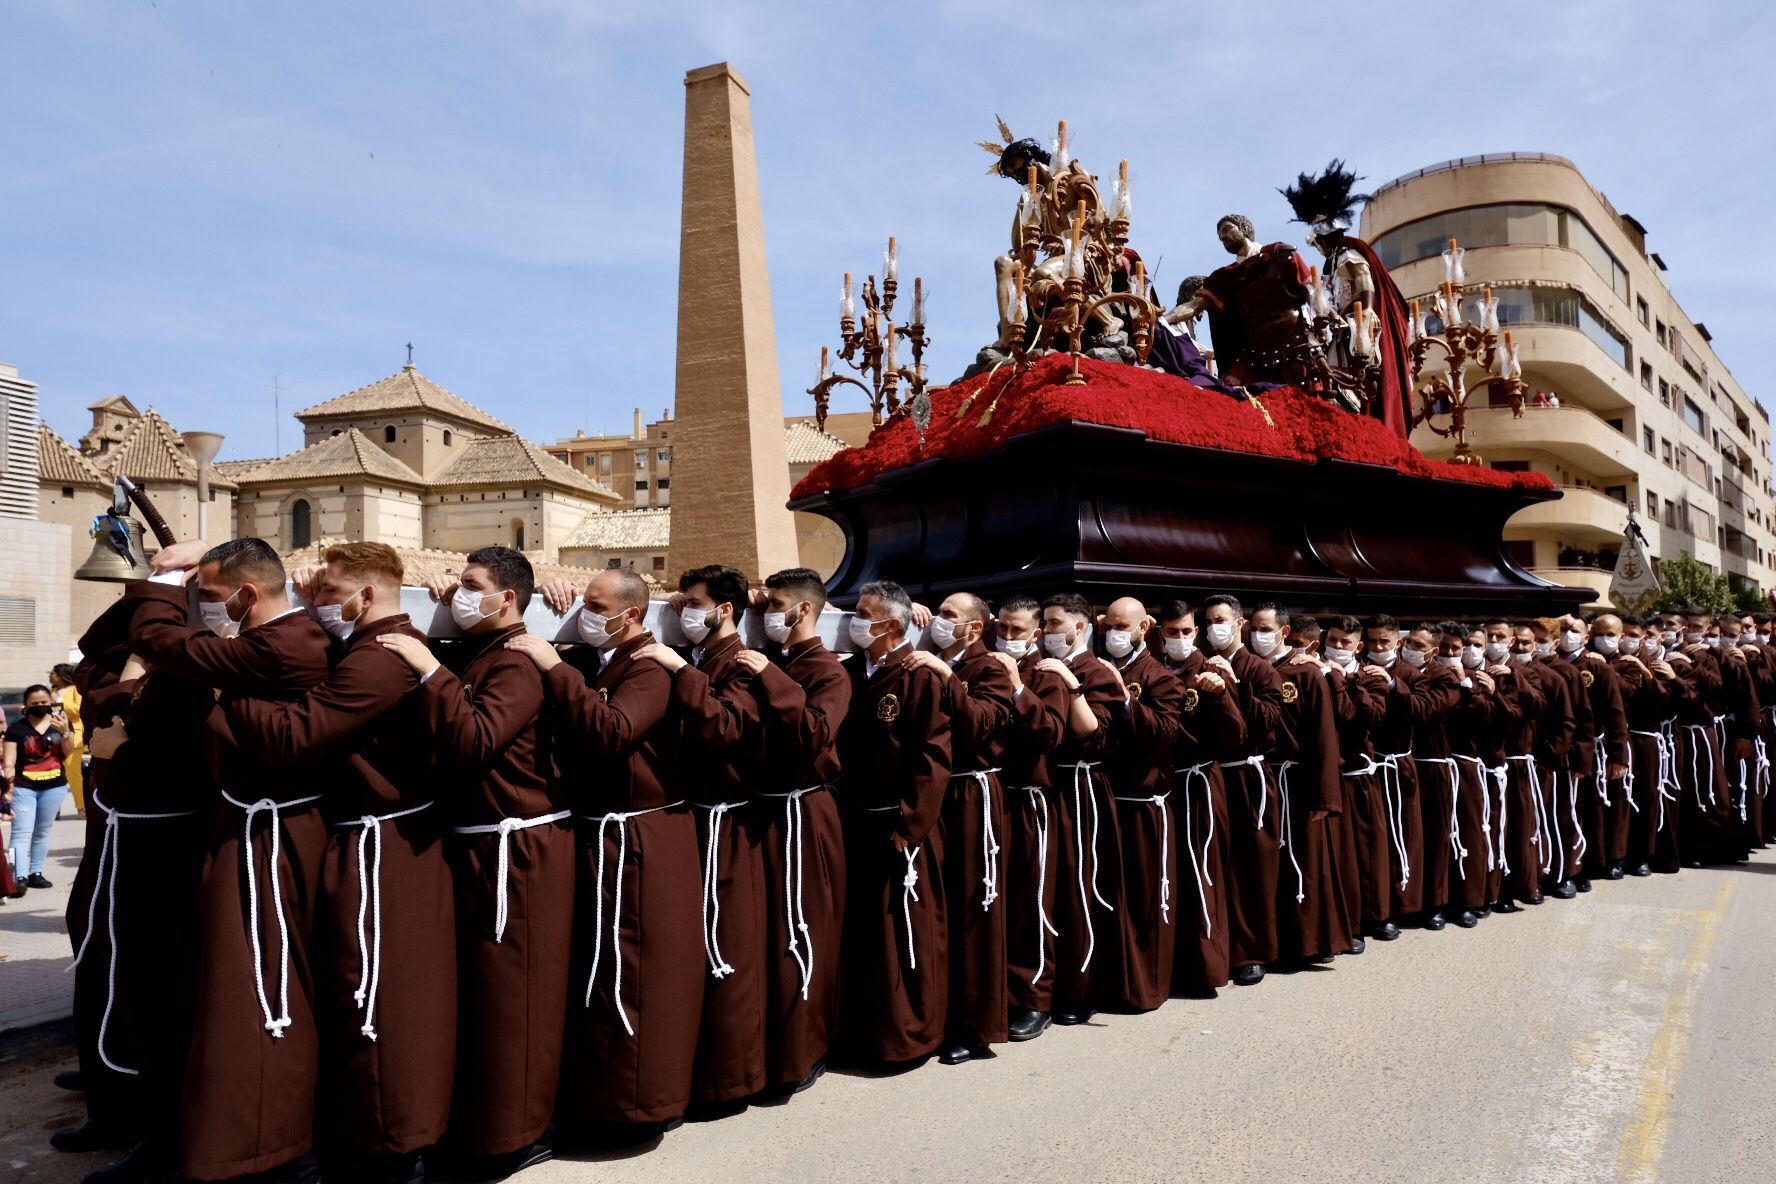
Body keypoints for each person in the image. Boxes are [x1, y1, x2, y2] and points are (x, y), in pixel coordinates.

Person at [223, 543, 455, 1184]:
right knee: (361, 992)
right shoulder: (369, 644)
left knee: (387, 997)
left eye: (327, 594)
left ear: (369, 595)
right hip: (365, 841)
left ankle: (396, 1150)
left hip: (389, 849)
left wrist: (232, 690)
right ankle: (372, 1137)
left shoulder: (381, 660)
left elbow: (297, 734)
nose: (317, 604)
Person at [125, 537, 334, 1184]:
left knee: (255, 993)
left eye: (209, 598)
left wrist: (163, 583)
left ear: (247, 594)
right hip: (249, 831)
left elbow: (161, 642)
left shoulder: (279, 645)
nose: (201, 609)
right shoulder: (270, 643)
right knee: (227, 993)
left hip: (271, 841)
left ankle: (270, 1151)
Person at [380, 547, 565, 1178]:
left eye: (471, 586)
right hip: (479, 843)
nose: (459, 593)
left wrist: (428, 666)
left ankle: (516, 1135)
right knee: (482, 995)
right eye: (458, 583)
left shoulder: (517, 663)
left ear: (507, 598)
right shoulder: (483, 651)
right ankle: (482, 1124)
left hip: (520, 850)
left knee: (517, 996)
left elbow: (474, 739)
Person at [509, 568, 703, 1146]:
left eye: (599, 606)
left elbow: (613, 730)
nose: (588, 614)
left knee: (635, 972)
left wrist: (553, 667)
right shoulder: (597, 656)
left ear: (633, 614)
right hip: (602, 836)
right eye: (584, 604)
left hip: (641, 837)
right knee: (600, 970)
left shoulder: (649, 667)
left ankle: (638, 1107)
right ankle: (598, 1099)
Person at [638, 564, 777, 1111]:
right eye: (678, 604)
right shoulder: (703, 656)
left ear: (724, 610)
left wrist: (678, 669)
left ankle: (732, 1081)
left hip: (730, 822)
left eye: (692, 603)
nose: (682, 612)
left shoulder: (739, 664)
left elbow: (724, 727)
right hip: (695, 818)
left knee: (730, 950)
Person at [835, 579, 952, 1065]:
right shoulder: (854, 672)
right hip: (857, 820)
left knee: (906, 929)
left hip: (902, 827)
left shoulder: (918, 674)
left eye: (865, 614)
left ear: (892, 625)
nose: (856, 621)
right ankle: (864, 1034)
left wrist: (911, 824)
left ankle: (911, 1036)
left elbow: (933, 755)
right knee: (865, 934)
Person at [744, 568, 849, 1093]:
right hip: (761, 812)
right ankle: (765, 1053)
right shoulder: (777, 657)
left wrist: (769, 674)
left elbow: (815, 733)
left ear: (803, 609)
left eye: (776, 604)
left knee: (802, 929)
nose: (767, 613)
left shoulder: (829, 670)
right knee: (763, 935)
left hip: (803, 812)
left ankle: (803, 1053)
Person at [905, 591, 1014, 1064]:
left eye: (951, 616)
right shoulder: (922, 654)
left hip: (971, 795)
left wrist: (948, 677)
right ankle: (935, 1015)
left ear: (974, 627)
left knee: (974, 908)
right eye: (938, 614)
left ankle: (975, 1026)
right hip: (934, 794)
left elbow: (983, 724)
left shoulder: (988, 666)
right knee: (935, 906)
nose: (940, 622)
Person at [1036, 592, 1125, 1023]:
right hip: (1047, 788)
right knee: (1048, 889)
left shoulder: (1096, 671)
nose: (1048, 631)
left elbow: (1093, 734)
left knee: (1080, 888)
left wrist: (1071, 686)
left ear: (1080, 626)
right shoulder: (1036, 665)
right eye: (1046, 624)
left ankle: (1082, 989)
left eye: (1055, 623)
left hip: (1082, 785)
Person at [1097, 596, 1185, 1011]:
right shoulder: (1097, 664)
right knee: (1107, 895)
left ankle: (1145, 987)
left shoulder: (1159, 676)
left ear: (1143, 627)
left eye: (1123, 626)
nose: (1114, 633)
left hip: (1144, 803)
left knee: (1145, 896)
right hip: (1105, 799)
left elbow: (1168, 733)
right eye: (1108, 625)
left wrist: (1126, 700)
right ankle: (1108, 983)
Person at [992, 594, 1071, 1041]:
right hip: (993, 797)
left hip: (1031, 800)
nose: (1007, 637)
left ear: (1036, 633)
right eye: (1002, 627)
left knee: (1031, 900)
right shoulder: (986, 666)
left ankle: (1035, 998)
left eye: (1017, 630)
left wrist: (1017, 687)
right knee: (996, 898)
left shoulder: (1045, 675)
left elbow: (1050, 733)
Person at [1200, 594, 1287, 985]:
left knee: (1254, 866)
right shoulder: (1200, 662)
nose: (1212, 628)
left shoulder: (1259, 668)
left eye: (1220, 620)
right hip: (1215, 776)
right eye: (1208, 621)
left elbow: (1270, 720)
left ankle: (1253, 952)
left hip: (1250, 777)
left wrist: (1235, 686)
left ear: (1239, 624)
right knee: (1219, 864)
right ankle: (1222, 947)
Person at [3, 685, 74, 889]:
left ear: (51, 702)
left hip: (54, 787)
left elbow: (68, 753)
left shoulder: (59, 724)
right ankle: (18, 877)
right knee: (21, 832)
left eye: (44, 702)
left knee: (42, 831)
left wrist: (66, 732)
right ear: (26, 705)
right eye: (35, 703)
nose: (40, 706)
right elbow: (9, 762)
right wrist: (8, 790)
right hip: (24, 787)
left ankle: (36, 872)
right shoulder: (17, 729)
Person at [52, 663, 87, 818]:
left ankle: (82, 808)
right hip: (54, 736)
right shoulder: (52, 691)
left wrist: (59, 701)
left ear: (61, 675)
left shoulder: (75, 689)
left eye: (54, 673)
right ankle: (54, 809)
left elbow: (79, 710)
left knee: (73, 774)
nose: (51, 676)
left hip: (73, 735)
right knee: (54, 773)